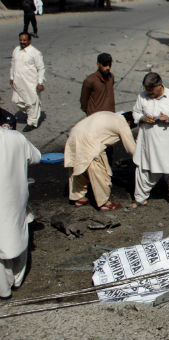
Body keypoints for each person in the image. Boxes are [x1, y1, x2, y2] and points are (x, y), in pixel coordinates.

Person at [130, 73, 169, 212]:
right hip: (149, 143)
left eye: (151, 90)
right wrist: (143, 118)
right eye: (147, 90)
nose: (149, 93)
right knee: (144, 169)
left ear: (159, 85)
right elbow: (135, 113)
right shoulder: (142, 96)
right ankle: (140, 198)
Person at [0, 110, 40, 299]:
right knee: (20, 234)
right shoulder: (17, 137)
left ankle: (5, 289)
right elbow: (36, 157)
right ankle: (16, 279)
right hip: (16, 198)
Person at [64, 111, 136, 211]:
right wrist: (143, 161)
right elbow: (131, 148)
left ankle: (79, 197)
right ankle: (104, 202)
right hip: (89, 141)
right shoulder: (122, 123)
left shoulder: (110, 115)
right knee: (99, 171)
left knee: (78, 168)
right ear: (129, 123)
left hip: (74, 134)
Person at [10, 32, 45, 132]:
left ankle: (32, 122)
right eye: (21, 40)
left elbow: (41, 68)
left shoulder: (35, 53)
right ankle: (31, 114)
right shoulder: (16, 50)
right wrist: (11, 77)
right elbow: (13, 64)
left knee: (32, 102)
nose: (22, 42)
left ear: (29, 40)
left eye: (25, 40)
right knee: (17, 100)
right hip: (18, 81)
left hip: (30, 82)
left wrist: (40, 82)